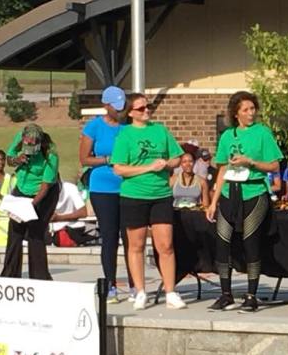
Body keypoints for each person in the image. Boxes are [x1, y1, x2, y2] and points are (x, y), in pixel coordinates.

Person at [206, 91, 283, 312]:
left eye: (252, 109)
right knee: (222, 242)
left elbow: (274, 165)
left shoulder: (262, 133)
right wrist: (213, 202)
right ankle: (225, 294)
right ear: (236, 113)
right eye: (246, 110)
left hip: (254, 191)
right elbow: (222, 169)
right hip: (230, 192)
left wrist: (251, 162)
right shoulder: (227, 136)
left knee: (251, 242)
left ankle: (251, 295)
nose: (251, 113)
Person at [112, 93, 186, 310]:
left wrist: (167, 164)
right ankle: (140, 291)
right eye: (141, 108)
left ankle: (171, 291)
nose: (147, 111)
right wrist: (147, 168)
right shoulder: (125, 135)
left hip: (161, 194)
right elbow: (119, 168)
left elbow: (177, 157)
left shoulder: (160, 130)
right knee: (136, 245)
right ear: (131, 113)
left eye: (148, 106)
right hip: (134, 195)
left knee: (166, 245)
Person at [79, 85, 134, 303]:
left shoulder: (128, 127)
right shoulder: (94, 127)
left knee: (130, 237)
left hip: (127, 187)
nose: (120, 111)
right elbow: (84, 159)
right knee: (110, 236)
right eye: (116, 107)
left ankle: (135, 284)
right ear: (106, 105)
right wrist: (107, 159)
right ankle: (110, 285)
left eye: (122, 107)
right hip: (102, 188)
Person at [1, 124, 60, 280]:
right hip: (22, 187)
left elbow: (45, 186)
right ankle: (10, 274)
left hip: (43, 193)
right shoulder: (19, 139)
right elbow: (9, 161)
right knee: (15, 231)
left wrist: (30, 205)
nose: (30, 149)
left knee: (35, 232)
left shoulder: (51, 154)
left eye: (33, 146)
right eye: (27, 144)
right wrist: (18, 159)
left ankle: (39, 276)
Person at [50, 180, 92, 246]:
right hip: (54, 230)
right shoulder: (43, 191)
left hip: (73, 228)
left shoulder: (70, 187)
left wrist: (59, 218)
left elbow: (83, 212)